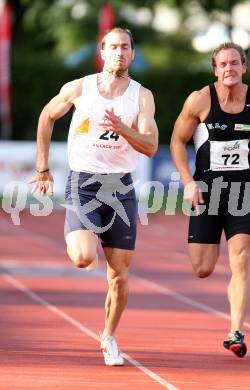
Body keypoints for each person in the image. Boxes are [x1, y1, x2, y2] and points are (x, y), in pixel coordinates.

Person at [31, 27, 158, 366]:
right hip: (83, 183)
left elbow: (150, 145)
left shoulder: (141, 96)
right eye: (113, 46)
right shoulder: (80, 88)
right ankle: (86, 236)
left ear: (132, 53)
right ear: (102, 51)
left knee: (119, 275)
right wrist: (43, 166)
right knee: (84, 258)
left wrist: (123, 129)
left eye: (125, 47)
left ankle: (108, 337)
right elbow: (46, 116)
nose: (119, 52)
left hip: (121, 188)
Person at [170, 42, 250, 358]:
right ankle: (218, 268)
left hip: (241, 191)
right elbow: (177, 141)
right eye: (223, 64)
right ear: (215, 69)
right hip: (206, 191)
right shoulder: (199, 100)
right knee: (203, 268)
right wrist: (188, 183)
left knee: (241, 258)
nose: (229, 69)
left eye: (234, 63)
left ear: (244, 66)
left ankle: (236, 330)